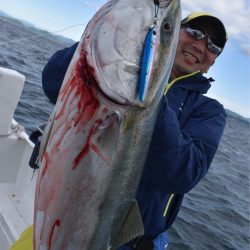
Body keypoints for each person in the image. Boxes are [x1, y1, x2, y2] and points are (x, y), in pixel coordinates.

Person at [11, 12, 228, 250]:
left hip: (132, 242)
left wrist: (151, 89)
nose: (201, 45)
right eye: (195, 33)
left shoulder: (209, 111)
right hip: (60, 211)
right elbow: (52, 83)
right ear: (176, 31)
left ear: (213, 61)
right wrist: (107, 42)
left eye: (213, 46)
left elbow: (182, 173)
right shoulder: (119, 64)